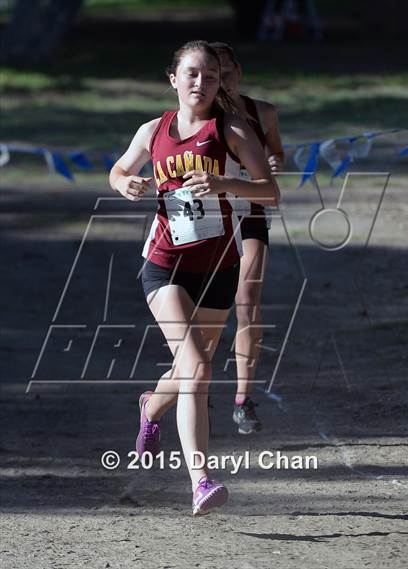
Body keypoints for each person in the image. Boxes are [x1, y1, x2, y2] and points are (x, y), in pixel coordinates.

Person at [109, 40, 279, 515]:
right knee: (199, 370)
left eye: (208, 75)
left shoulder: (232, 130)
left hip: (218, 267)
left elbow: (270, 191)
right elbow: (119, 170)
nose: (200, 83)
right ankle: (200, 480)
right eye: (191, 74)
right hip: (165, 264)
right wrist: (127, 184)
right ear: (173, 79)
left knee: (190, 369)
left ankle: (150, 406)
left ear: (219, 80)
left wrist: (226, 183)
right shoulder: (153, 129)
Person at [210, 42, 285, 434]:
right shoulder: (203, 116)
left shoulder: (264, 112)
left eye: (225, 73)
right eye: (211, 74)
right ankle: (191, 380)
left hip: (251, 213)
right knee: (203, 306)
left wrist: (275, 161)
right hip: (209, 218)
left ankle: (243, 398)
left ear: (238, 71)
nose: (219, 81)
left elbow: (277, 155)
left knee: (247, 299)